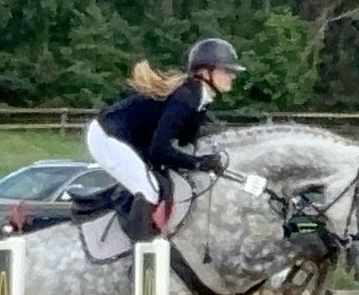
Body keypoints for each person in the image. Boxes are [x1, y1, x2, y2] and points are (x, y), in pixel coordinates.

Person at [86, 37, 245, 238]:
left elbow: (184, 145)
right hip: (107, 135)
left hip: (130, 140)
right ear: (205, 72)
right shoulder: (185, 99)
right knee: (149, 190)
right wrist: (199, 164)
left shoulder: (199, 101)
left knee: (161, 183)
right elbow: (160, 150)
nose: (233, 76)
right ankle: (142, 260)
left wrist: (202, 160)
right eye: (227, 70)